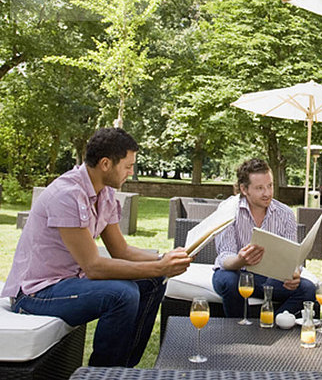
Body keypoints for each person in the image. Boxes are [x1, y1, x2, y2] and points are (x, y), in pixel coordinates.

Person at [1, 128, 192, 367]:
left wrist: (164, 259)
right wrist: (159, 266)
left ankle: (122, 368)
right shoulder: (67, 195)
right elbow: (93, 267)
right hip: (35, 294)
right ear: (105, 164)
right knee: (122, 294)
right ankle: (100, 373)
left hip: (69, 282)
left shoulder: (105, 193)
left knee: (153, 282)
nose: (131, 173)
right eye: (128, 166)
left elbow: (121, 251)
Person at [212, 158, 316, 317]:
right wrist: (241, 260)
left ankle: (269, 327)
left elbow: (293, 257)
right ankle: (239, 331)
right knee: (230, 282)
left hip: (268, 278)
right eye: (260, 188)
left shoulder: (285, 213)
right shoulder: (228, 209)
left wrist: (294, 273)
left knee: (308, 289)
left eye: (270, 186)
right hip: (235, 272)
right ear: (244, 189)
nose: (267, 193)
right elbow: (224, 256)